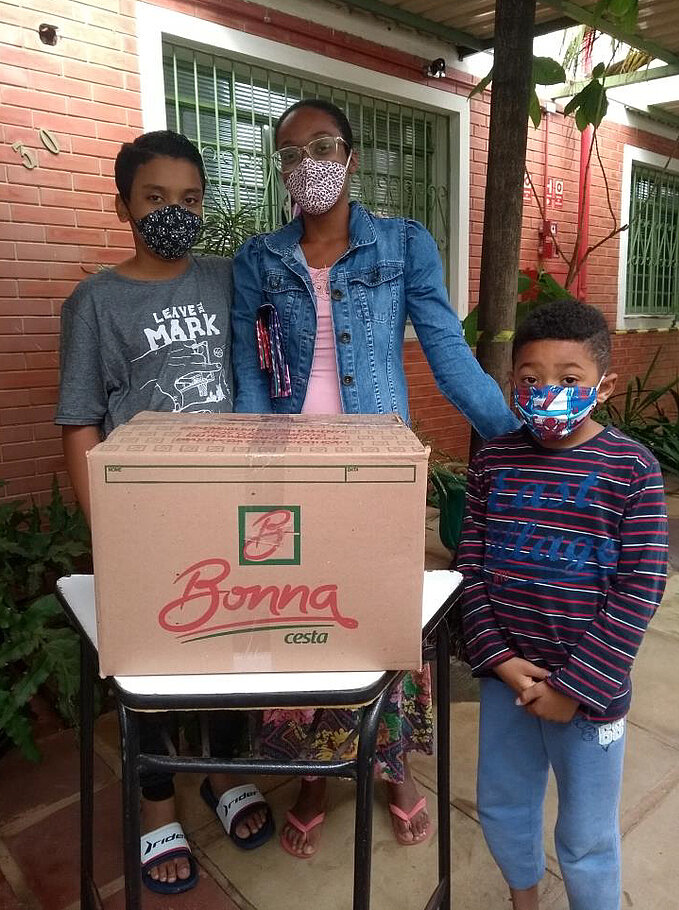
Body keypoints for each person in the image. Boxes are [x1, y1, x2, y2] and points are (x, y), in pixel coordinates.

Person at [231, 98, 519, 858]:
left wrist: (515, 436)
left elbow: (449, 353)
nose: (308, 164)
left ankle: (392, 768)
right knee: (298, 625)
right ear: (282, 171)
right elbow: (250, 377)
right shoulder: (258, 260)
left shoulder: (402, 244)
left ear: (351, 157)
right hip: (293, 473)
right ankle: (315, 772)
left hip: (380, 469)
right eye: (291, 154)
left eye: (322, 146)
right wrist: (259, 470)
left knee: (387, 625)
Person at [56, 130, 273, 894]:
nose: (173, 212)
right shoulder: (95, 302)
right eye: (155, 198)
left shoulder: (229, 277)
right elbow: (81, 419)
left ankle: (222, 771)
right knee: (150, 668)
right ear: (124, 206)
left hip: (231, 509)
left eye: (188, 199)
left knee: (231, 655)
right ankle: (156, 805)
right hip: (144, 520)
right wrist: (103, 527)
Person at [457, 299, 668, 910]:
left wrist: (574, 688)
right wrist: (497, 658)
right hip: (506, 680)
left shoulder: (632, 470)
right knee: (502, 805)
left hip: (589, 693)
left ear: (602, 384)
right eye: (530, 379)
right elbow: (469, 569)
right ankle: (524, 899)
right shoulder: (493, 461)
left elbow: (641, 586)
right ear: (511, 382)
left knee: (586, 834)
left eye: (569, 379)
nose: (548, 391)